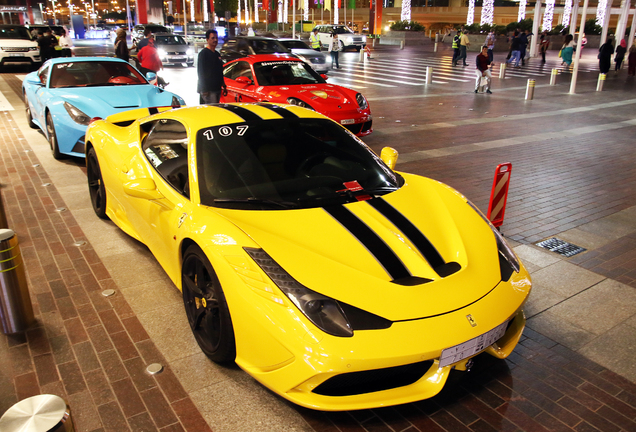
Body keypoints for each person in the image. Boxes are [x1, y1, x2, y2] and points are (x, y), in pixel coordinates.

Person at [197, 29, 226, 104]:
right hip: (208, 90)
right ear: (207, 40)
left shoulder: (217, 54)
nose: (215, 40)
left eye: (216, 38)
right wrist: (204, 89)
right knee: (211, 110)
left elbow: (219, 70)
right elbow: (201, 72)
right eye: (212, 38)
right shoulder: (204, 54)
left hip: (217, 88)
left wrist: (223, 84)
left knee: (216, 108)